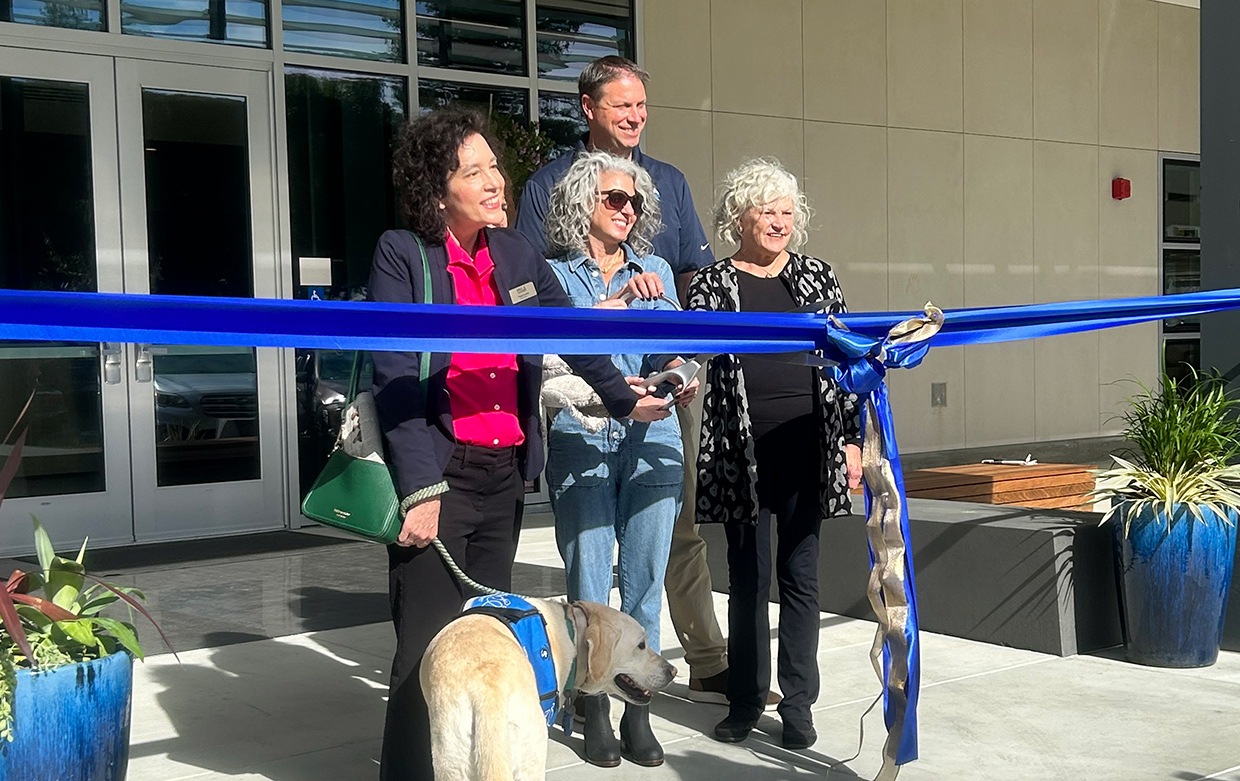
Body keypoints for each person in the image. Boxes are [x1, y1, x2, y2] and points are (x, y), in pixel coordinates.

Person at [368, 109, 672, 781]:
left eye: (495, 167)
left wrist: (625, 399)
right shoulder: (403, 253)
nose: (495, 182)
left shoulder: (516, 254)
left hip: (502, 476)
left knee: (486, 645)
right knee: (424, 653)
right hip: (436, 478)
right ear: (435, 187)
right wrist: (419, 491)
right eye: (472, 171)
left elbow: (570, 333)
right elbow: (392, 375)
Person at [516, 54, 737, 709]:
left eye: (642, 105)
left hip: (658, 381)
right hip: (584, 398)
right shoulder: (549, 188)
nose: (636, 116)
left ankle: (691, 662)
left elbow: (690, 285)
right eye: (622, 105)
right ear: (589, 107)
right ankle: (590, 692)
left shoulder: (666, 181)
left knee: (671, 532)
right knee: (589, 550)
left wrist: (686, 365)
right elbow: (528, 293)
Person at [687, 158, 863, 751]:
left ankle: (799, 705)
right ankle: (743, 701)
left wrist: (853, 440)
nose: (779, 222)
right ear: (740, 216)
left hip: (807, 445)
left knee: (801, 577)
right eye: (767, 210)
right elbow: (688, 354)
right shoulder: (711, 282)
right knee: (746, 578)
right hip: (740, 450)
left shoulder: (818, 276)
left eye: (787, 212)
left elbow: (849, 364)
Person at [542, 150, 696, 768]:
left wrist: (676, 379)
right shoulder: (554, 278)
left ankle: (638, 710)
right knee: (587, 584)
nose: (628, 209)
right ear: (585, 203)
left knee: (644, 584)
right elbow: (550, 352)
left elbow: (682, 353)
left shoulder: (656, 269)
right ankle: (593, 706)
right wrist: (608, 309)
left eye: (634, 201)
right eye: (615, 199)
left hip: (654, 439)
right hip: (582, 435)